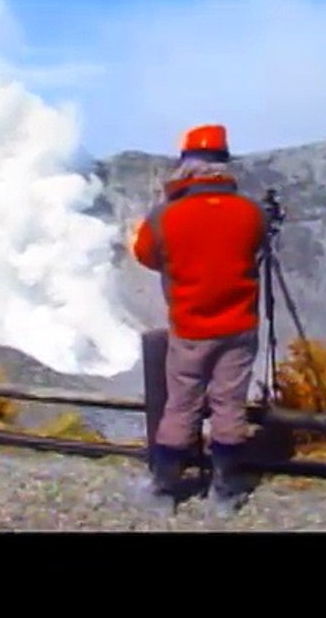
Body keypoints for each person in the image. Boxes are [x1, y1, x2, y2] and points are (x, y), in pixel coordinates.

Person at [130, 124, 267, 515]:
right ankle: (224, 493)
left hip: (190, 327)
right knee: (230, 406)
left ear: (186, 164)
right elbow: (258, 247)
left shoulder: (165, 216)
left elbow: (145, 253)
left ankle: (164, 489)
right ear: (224, 164)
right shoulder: (251, 212)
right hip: (239, 327)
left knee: (182, 405)